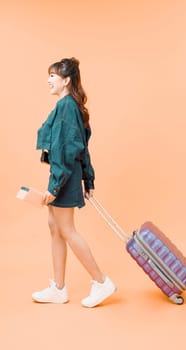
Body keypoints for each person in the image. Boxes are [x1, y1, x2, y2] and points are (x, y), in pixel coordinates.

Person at [32, 57, 116, 307]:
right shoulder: (67, 105)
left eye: (53, 76)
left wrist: (55, 187)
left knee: (66, 229)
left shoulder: (67, 106)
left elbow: (69, 149)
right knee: (55, 227)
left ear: (66, 80)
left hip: (64, 176)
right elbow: (81, 148)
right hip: (65, 174)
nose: (48, 80)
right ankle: (59, 288)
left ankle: (101, 282)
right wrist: (87, 179)